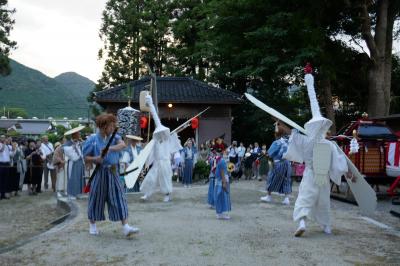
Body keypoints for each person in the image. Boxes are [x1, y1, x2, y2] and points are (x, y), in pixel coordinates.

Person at [283, 65, 348, 237]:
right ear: (324, 128)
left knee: (305, 197)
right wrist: (348, 174)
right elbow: (339, 164)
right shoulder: (330, 145)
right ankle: (326, 227)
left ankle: (302, 222)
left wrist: (280, 122)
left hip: (312, 174)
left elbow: (291, 133)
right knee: (323, 201)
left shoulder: (305, 141)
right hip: (324, 177)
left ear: (311, 127)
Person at [83, 113, 139, 236]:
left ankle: (125, 226)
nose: (113, 128)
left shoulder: (114, 137)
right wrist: (96, 158)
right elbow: (86, 157)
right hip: (100, 172)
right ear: (104, 127)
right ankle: (92, 225)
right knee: (96, 198)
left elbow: (123, 145)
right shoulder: (92, 140)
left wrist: (110, 149)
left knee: (119, 197)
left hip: (113, 171)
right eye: (111, 126)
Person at [140, 94, 182, 202]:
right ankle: (147, 193)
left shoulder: (168, 139)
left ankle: (167, 194)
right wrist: (150, 103)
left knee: (165, 179)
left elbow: (157, 119)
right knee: (151, 177)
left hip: (165, 162)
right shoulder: (155, 141)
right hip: (158, 162)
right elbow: (155, 117)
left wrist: (151, 103)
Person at [260, 127, 291, 205]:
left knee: (271, 178)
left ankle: (269, 196)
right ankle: (286, 198)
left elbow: (270, 154)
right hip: (287, 163)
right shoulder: (288, 141)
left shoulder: (276, 142)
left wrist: (266, 156)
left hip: (278, 163)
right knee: (286, 180)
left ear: (276, 134)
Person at [63, 126, 86, 199]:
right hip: (73, 163)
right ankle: (72, 194)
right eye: (78, 134)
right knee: (73, 178)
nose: (79, 135)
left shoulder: (80, 142)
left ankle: (79, 193)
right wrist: (74, 146)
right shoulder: (68, 143)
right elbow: (66, 150)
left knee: (80, 178)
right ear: (74, 135)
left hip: (80, 162)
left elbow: (85, 149)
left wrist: (80, 143)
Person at [214, 145, 231, 220]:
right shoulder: (222, 160)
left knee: (219, 196)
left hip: (218, 181)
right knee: (222, 197)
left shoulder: (218, 159)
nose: (227, 151)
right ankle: (222, 213)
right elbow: (222, 172)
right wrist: (224, 183)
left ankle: (219, 213)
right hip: (222, 181)